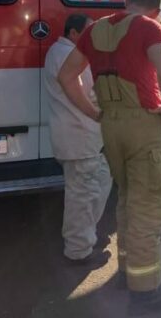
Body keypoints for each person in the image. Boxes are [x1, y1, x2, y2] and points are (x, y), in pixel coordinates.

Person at [57, 0, 161, 313]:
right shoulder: (149, 27)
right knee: (148, 205)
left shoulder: (94, 30)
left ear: (126, 2)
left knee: (127, 198)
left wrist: (95, 113)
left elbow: (66, 76)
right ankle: (145, 292)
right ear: (156, 10)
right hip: (144, 125)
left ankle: (128, 271)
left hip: (111, 127)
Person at [43, 14, 112, 264]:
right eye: (88, 32)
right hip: (80, 135)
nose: (92, 38)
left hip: (78, 137)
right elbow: (91, 92)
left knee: (99, 181)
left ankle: (86, 235)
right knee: (83, 194)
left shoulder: (58, 51)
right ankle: (79, 250)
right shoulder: (68, 55)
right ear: (74, 33)